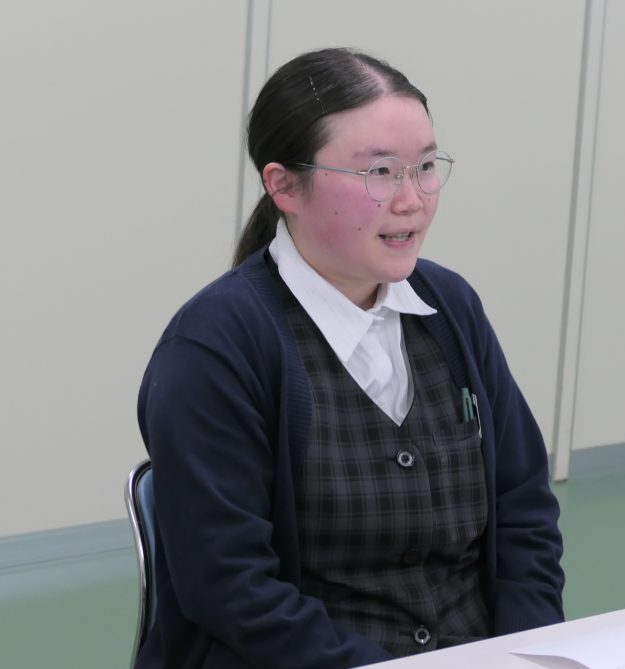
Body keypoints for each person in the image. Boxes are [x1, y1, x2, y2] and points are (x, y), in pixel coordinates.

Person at [136, 47, 565, 669]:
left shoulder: (450, 307)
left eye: (425, 167)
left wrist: (528, 651)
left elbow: (523, 510)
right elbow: (231, 587)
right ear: (284, 184)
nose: (412, 199)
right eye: (380, 172)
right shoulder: (216, 345)